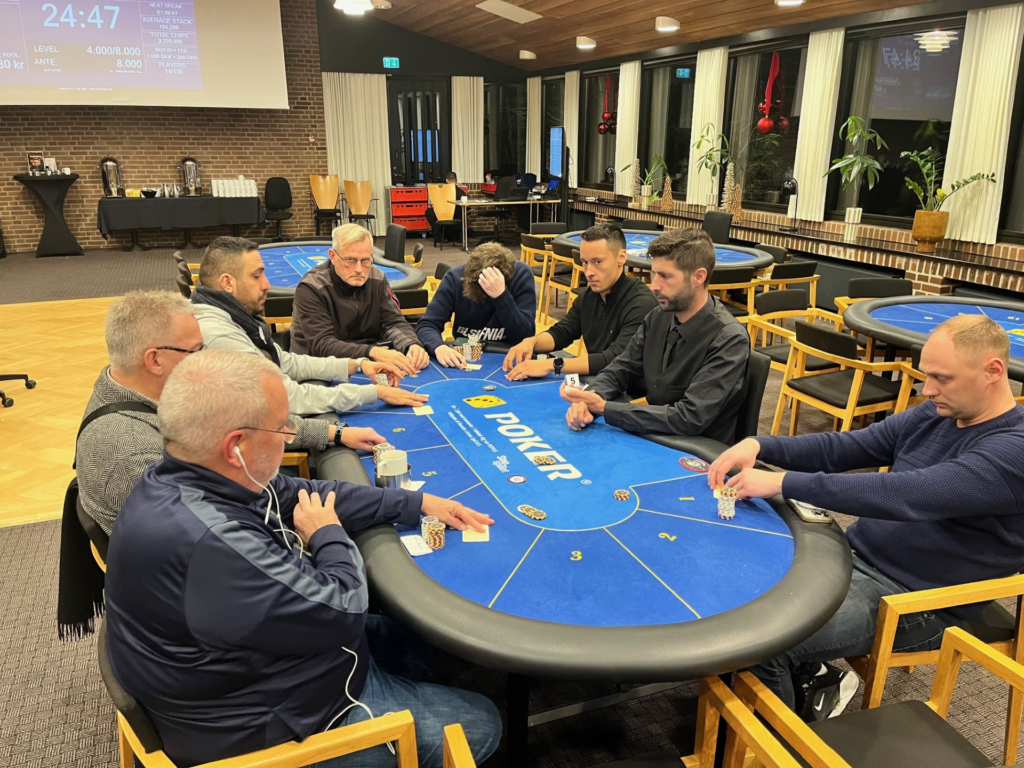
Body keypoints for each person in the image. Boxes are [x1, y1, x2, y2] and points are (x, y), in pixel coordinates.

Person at [104, 350, 501, 768]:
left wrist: (415, 503)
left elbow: (302, 494)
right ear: (236, 446)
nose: (291, 434)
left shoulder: (194, 474)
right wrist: (326, 534)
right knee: (482, 723)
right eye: (281, 426)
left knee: (424, 644)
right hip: (264, 726)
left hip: (251, 668)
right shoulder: (211, 542)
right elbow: (346, 606)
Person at [708, 315, 1024, 721]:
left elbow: (908, 494)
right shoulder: (939, 411)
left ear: (993, 371)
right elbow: (847, 447)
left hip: (915, 601)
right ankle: (812, 678)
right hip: (852, 554)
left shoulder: (1014, 451)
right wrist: (760, 444)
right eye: (927, 375)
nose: (928, 390)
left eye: (942, 378)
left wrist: (783, 482)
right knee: (733, 591)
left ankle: (774, 741)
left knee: (757, 641)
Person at [76, 291, 387, 535]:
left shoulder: (156, 392)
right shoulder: (133, 455)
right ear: (154, 360)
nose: (205, 359)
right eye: (196, 351)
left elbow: (255, 424)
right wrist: (322, 537)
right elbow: (222, 537)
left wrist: (335, 432)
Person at [192, 236, 426, 415]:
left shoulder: (235, 317)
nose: (266, 284)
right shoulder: (219, 336)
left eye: (365, 260)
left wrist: (359, 364)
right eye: (256, 276)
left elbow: (286, 362)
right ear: (227, 283)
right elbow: (289, 398)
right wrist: (372, 393)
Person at [561, 228, 749, 441]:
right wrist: (589, 397)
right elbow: (620, 368)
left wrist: (604, 408)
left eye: (666, 276)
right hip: (655, 437)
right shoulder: (658, 316)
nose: (654, 286)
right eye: (654, 274)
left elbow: (689, 417)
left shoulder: (729, 339)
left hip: (698, 449)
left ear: (698, 277)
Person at [503, 224, 658, 381]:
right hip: (601, 382)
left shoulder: (642, 304)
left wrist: (552, 365)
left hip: (632, 391)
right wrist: (532, 342)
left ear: (621, 257)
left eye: (597, 262)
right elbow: (562, 333)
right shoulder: (588, 297)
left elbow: (614, 358)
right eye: (585, 262)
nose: (589, 272)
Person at [290, 224, 429, 374]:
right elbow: (322, 345)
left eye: (365, 260)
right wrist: (372, 352)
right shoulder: (311, 288)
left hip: (367, 362)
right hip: (319, 368)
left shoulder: (377, 279)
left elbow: (393, 322)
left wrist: (411, 344)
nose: (358, 269)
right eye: (350, 260)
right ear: (333, 256)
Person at [416, 242, 536, 368]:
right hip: (466, 354)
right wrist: (438, 346)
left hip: (509, 355)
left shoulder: (521, 275)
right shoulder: (456, 278)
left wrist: (501, 296)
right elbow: (427, 325)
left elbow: (525, 336)